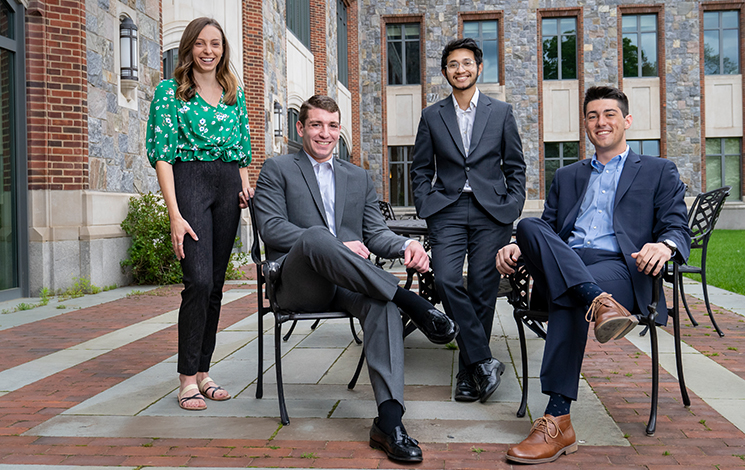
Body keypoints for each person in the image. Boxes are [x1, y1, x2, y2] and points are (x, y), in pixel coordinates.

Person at [253, 95, 457, 463]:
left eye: (332, 126)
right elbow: (271, 229)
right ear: (300, 129)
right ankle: (411, 302)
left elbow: (376, 234)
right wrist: (335, 243)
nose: (324, 133)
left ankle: (390, 424)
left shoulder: (358, 177)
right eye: (316, 125)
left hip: (348, 284)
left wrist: (407, 244)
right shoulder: (277, 169)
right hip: (300, 284)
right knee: (317, 236)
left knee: (380, 305)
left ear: (340, 130)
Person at [496, 86, 691, 464]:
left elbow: (677, 226)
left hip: (619, 265)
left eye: (609, 114)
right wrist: (518, 247)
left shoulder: (658, 170)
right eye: (592, 116)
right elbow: (548, 229)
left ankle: (556, 417)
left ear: (627, 121)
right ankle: (597, 302)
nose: (600, 122)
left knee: (567, 295)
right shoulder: (567, 175)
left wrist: (664, 246)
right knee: (528, 228)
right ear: (585, 124)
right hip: (569, 262)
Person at [146, 17, 255, 411]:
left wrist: (243, 184)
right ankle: (186, 379)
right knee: (197, 281)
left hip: (227, 186)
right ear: (189, 47)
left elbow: (241, 146)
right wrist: (174, 214)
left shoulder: (233, 93)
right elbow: (162, 155)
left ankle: (205, 373)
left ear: (223, 50)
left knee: (216, 287)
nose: (209, 51)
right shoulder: (169, 91)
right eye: (201, 44)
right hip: (189, 180)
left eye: (216, 44)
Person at [410, 38, 526, 404]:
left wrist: (511, 207)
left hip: (492, 211)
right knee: (444, 279)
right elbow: (420, 168)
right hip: (447, 209)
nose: (460, 69)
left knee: (482, 287)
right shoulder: (432, 115)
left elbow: (516, 167)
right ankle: (483, 361)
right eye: (452, 64)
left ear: (479, 67)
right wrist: (427, 203)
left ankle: (468, 373)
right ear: (445, 72)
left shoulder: (501, 112)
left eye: (467, 63)